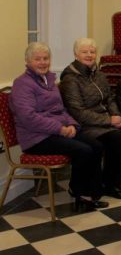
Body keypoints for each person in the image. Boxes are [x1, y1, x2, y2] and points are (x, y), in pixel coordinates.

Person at [10, 42, 107, 210]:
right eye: (37, 59)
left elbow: (61, 109)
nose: (42, 62)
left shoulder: (50, 81)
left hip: (57, 132)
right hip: (36, 138)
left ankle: (92, 192)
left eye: (45, 58)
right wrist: (60, 129)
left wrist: (71, 124)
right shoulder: (22, 84)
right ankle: (79, 194)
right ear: (27, 62)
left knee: (96, 145)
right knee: (83, 150)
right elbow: (29, 118)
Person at [60, 38, 121, 199]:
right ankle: (111, 184)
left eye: (92, 52)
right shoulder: (70, 79)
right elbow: (78, 112)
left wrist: (116, 115)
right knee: (115, 139)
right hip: (84, 125)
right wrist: (108, 121)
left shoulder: (98, 74)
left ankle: (112, 182)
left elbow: (109, 98)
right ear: (76, 54)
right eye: (85, 52)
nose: (89, 55)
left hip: (103, 121)